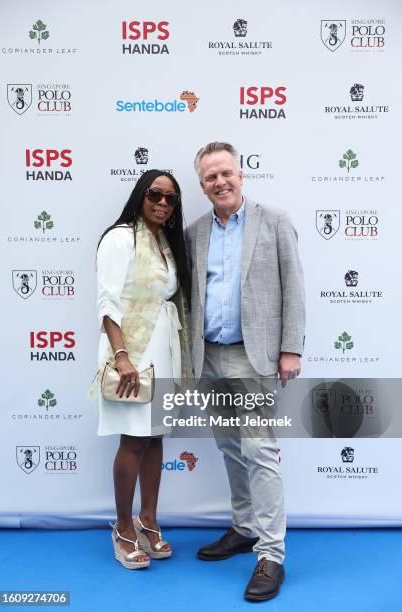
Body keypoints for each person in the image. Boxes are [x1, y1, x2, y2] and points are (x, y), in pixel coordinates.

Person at [187, 142, 305, 601]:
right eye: (210, 177)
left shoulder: (273, 220)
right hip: (209, 355)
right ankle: (243, 527)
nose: (220, 181)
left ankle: (271, 555)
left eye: (226, 173)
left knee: (259, 451)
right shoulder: (196, 230)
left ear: (241, 174)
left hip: (252, 356)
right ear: (202, 185)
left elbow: (294, 286)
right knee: (230, 448)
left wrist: (290, 348)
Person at [95, 170, 191, 570]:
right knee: (133, 440)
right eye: (155, 194)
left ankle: (148, 518)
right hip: (132, 350)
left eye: (171, 199)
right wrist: (121, 357)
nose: (162, 203)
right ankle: (122, 527)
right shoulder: (121, 237)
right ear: (141, 195)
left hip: (163, 348)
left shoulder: (165, 241)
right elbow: (107, 301)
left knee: (154, 438)